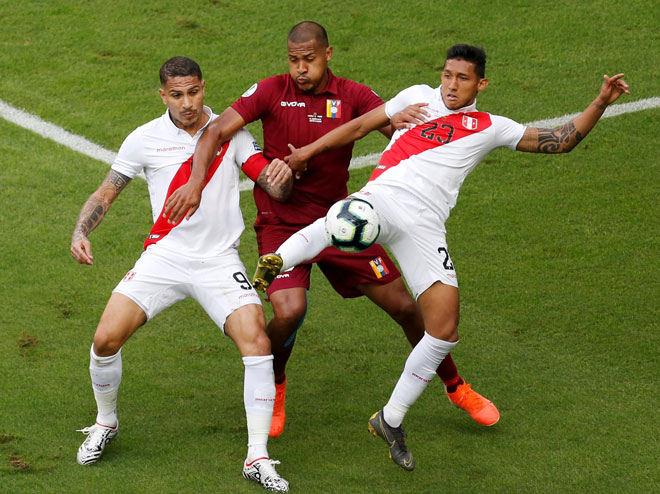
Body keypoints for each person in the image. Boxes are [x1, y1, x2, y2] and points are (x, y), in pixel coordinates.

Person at [254, 44, 630, 470]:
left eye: (462, 78)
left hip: (426, 227)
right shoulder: (415, 95)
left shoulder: (490, 126)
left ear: (481, 84)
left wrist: (599, 102)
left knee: (444, 328)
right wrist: (305, 153)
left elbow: (560, 141)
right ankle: (278, 261)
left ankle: (390, 419)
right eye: (447, 75)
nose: (451, 85)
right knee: (350, 217)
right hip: (385, 199)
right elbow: (359, 125)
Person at [162, 22, 499, 439]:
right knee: (289, 311)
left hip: (345, 222)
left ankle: (456, 386)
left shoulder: (354, 95)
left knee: (405, 307)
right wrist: (195, 184)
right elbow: (215, 130)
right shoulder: (270, 90)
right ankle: (276, 385)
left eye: (309, 59)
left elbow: (396, 131)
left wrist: (411, 123)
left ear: (328, 55)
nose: (301, 68)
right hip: (283, 224)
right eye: (293, 60)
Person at [70, 56, 292, 492]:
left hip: (219, 262)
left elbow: (271, 184)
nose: (187, 103)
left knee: (257, 342)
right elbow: (106, 191)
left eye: (194, 92)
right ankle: (105, 422)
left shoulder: (233, 134)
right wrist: (81, 231)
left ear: (203, 87)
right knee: (104, 339)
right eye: (177, 95)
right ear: (162, 95)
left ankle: (257, 456)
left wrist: (281, 175)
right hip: (164, 258)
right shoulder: (144, 139)